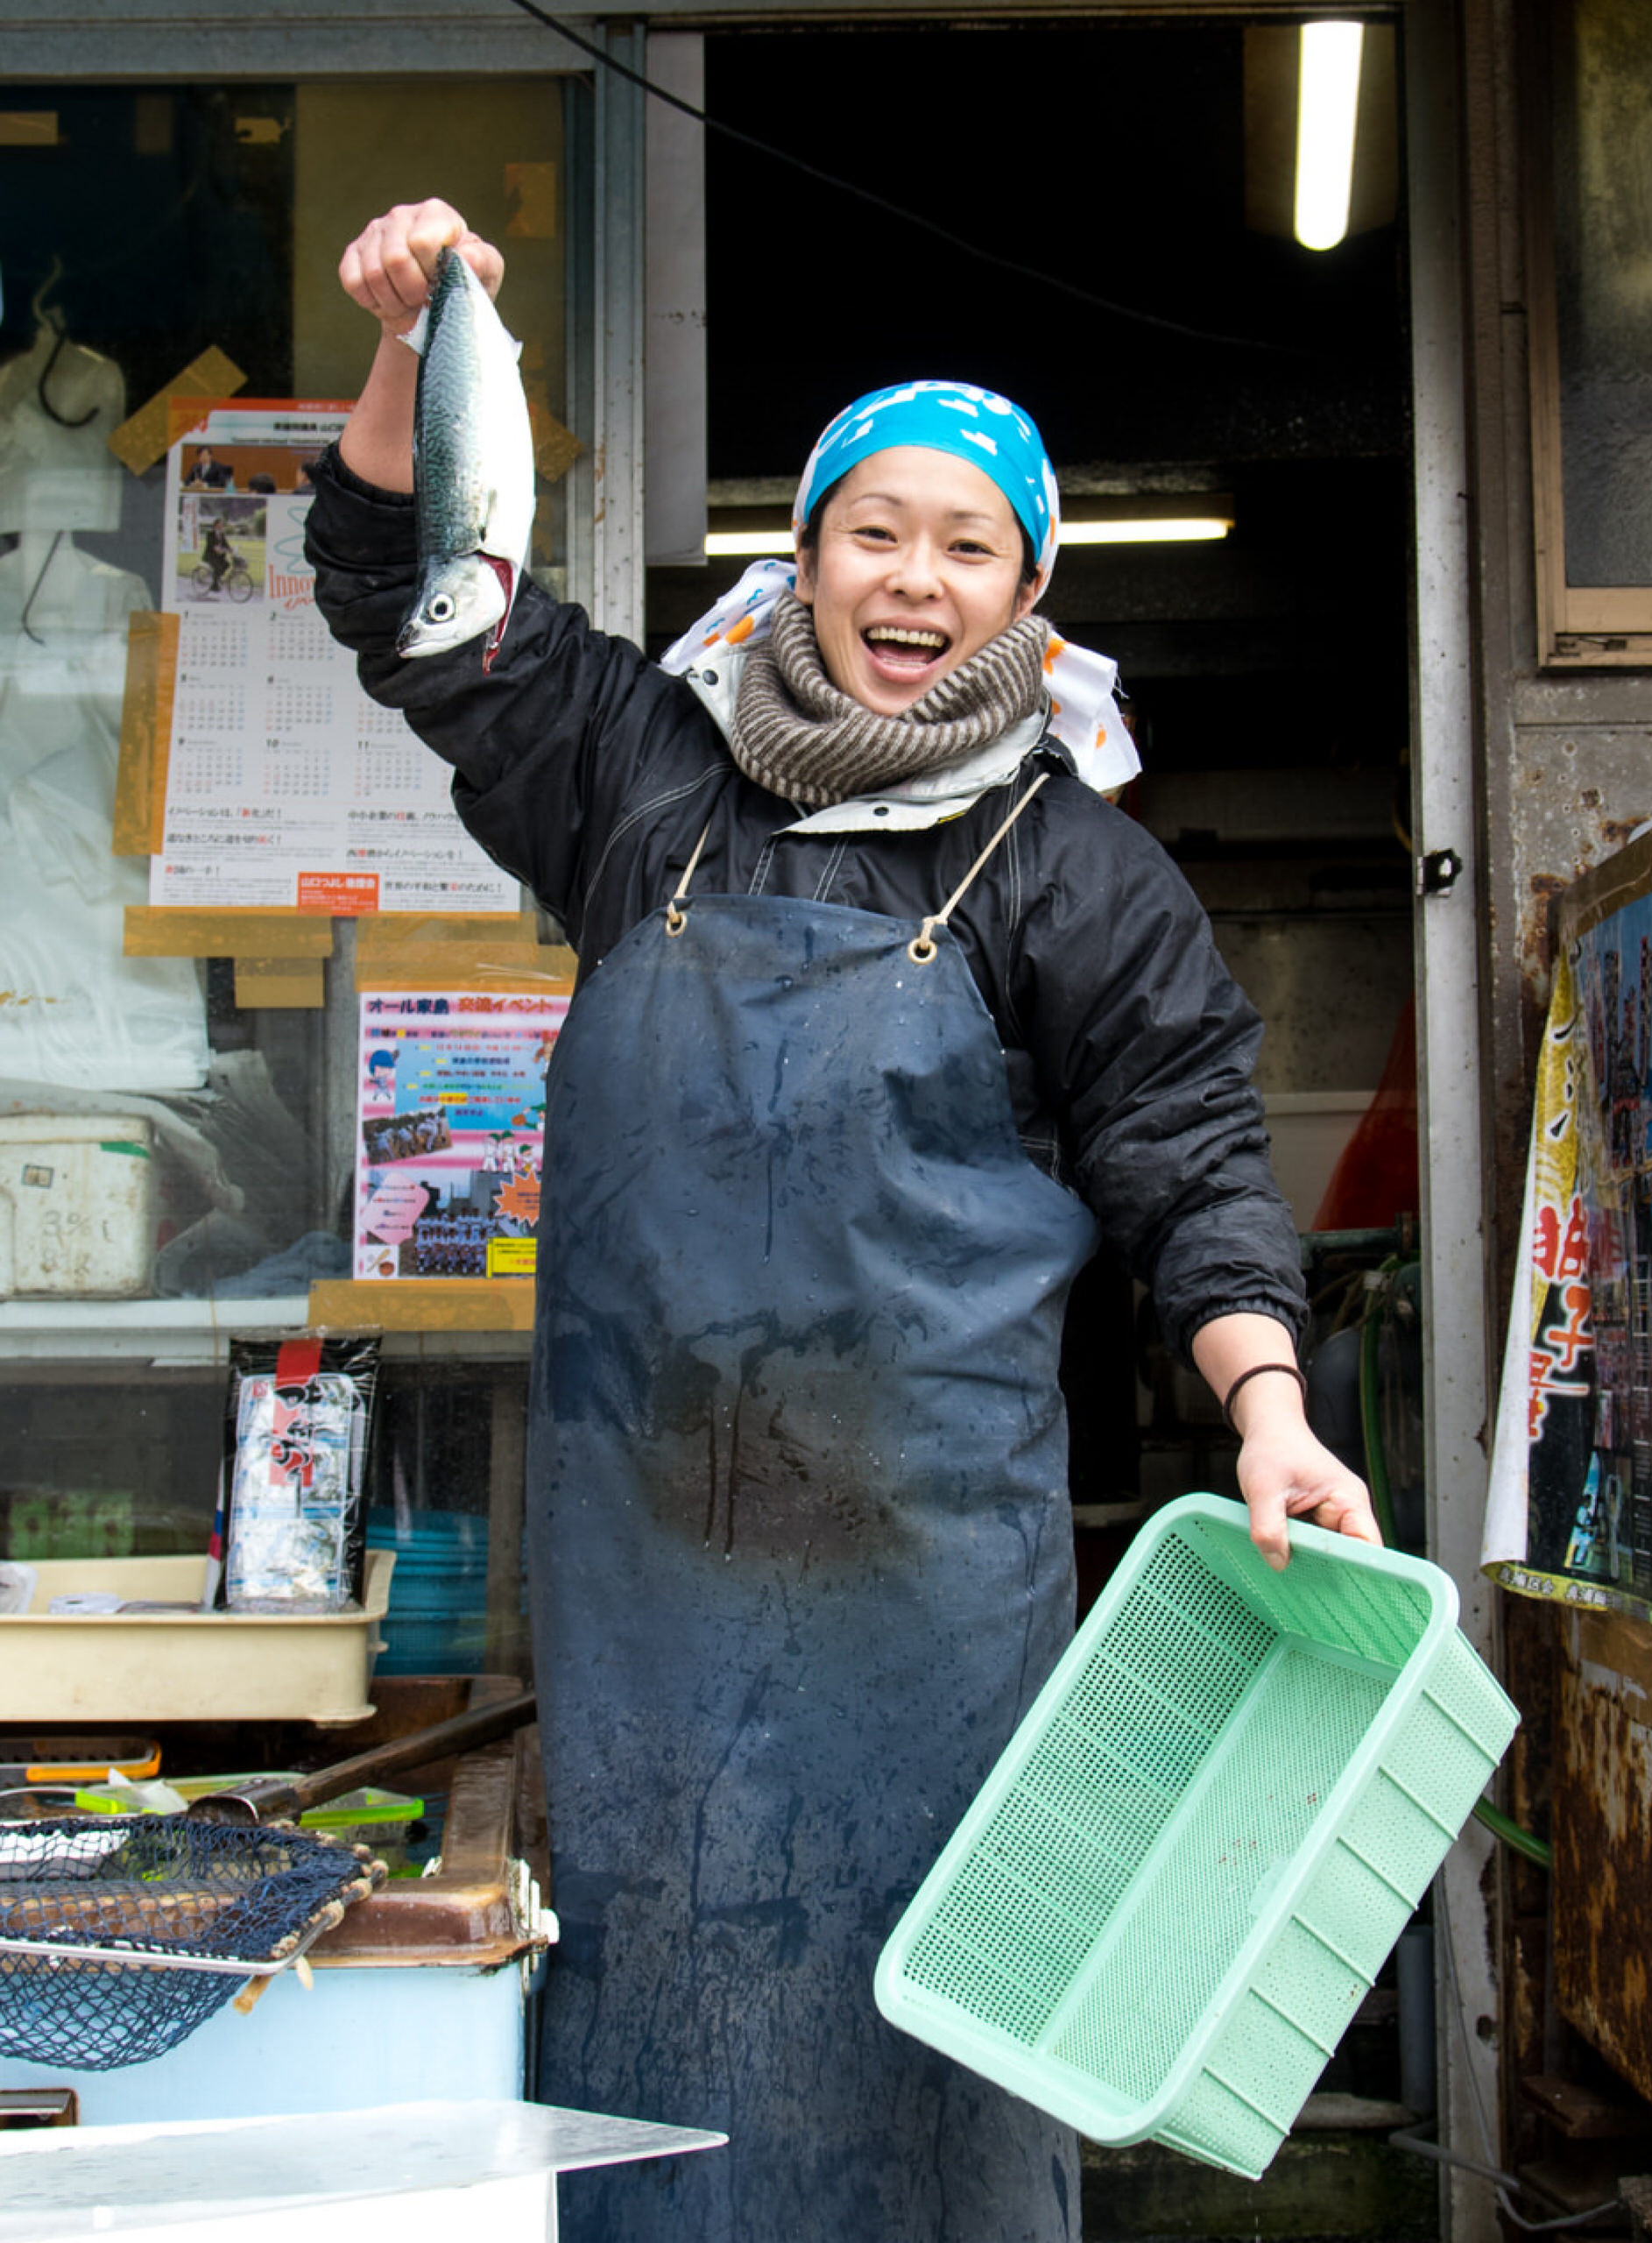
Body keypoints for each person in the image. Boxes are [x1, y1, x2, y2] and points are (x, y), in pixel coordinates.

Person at [307, 199, 1379, 2243]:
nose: (914, 575)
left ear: (1030, 600)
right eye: (872, 526)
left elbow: (1190, 1160)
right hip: (648, 1578)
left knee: (937, 2041)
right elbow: (409, 597)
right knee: (656, 2028)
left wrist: (1263, 1404)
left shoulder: (1077, 875)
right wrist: (417, 333)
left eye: (967, 544)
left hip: (926, 1602)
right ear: (798, 553)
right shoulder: (641, 773)